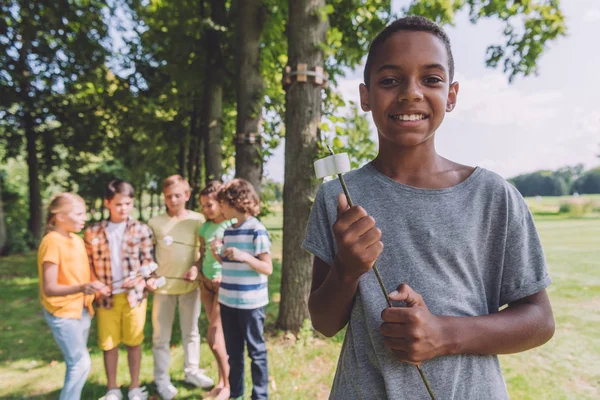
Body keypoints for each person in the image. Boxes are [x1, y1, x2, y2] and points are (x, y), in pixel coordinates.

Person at [303, 16, 555, 399]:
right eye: (389, 80)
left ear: (451, 95)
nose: (410, 93)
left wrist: (444, 334)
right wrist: (346, 269)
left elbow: (540, 321)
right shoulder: (340, 197)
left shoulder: (492, 195)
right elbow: (323, 321)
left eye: (431, 79)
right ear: (365, 95)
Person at [85, 180, 156, 400]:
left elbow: (150, 263)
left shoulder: (141, 230)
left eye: (127, 203)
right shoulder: (93, 232)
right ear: (107, 203)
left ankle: (135, 387)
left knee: (134, 342)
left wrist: (139, 277)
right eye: (118, 204)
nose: (123, 208)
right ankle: (112, 388)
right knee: (109, 344)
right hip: (106, 299)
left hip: (133, 297)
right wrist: (96, 284)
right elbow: (88, 265)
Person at [148, 175, 213, 399]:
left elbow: (202, 250)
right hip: (163, 288)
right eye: (168, 196)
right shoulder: (154, 222)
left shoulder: (197, 220)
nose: (173, 200)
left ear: (187, 195)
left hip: (189, 286)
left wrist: (196, 267)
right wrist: (150, 275)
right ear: (164, 198)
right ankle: (162, 380)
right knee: (160, 336)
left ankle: (192, 371)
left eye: (177, 195)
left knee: (191, 332)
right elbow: (147, 255)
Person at [38, 193, 107, 400]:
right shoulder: (51, 242)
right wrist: (81, 288)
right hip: (62, 312)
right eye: (78, 213)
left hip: (82, 310)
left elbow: (80, 273)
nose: (84, 218)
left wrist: (95, 286)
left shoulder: (76, 240)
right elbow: (49, 288)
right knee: (80, 363)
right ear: (59, 216)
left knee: (76, 363)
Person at [211, 178, 272, 400]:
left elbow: (267, 268)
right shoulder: (227, 231)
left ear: (235, 202)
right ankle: (236, 394)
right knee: (233, 354)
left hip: (250, 304)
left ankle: (260, 396)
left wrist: (244, 256)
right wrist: (217, 255)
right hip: (228, 301)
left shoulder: (257, 230)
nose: (220, 209)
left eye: (222, 204)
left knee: (256, 353)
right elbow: (230, 263)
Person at [184, 180, 234, 400]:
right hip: (206, 284)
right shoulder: (205, 227)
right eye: (202, 205)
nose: (205, 209)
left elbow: (234, 257)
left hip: (222, 285)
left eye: (209, 205)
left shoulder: (231, 224)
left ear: (221, 203)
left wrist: (225, 273)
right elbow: (202, 256)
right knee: (217, 340)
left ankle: (229, 386)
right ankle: (222, 382)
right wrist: (195, 270)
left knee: (213, 338)